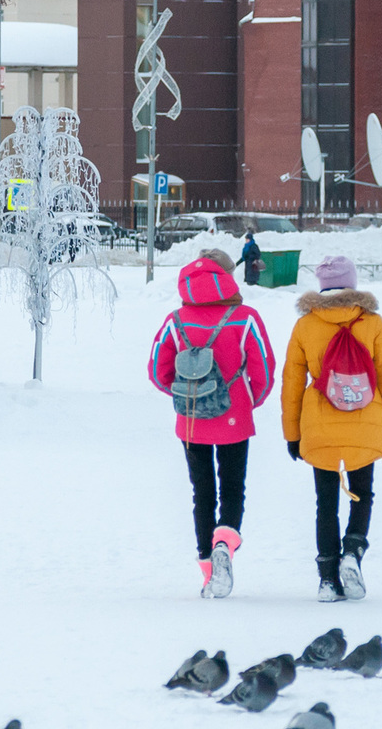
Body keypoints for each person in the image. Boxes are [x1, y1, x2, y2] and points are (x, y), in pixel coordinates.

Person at [147, 249, 276, 598]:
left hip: (191, 422)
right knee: (233, 487)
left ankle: (207, 570)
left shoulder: (176, 320)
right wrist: (251, 399)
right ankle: (225, 543)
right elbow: (263, 367)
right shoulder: (245, 317)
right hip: (235, 414)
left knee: (201, 492)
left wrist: (185, 399)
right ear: (227, 277)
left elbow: (157, 370)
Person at [281, 255, 382, 601]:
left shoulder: (305, 325)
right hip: (366, 423)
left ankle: (327, 581)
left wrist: (293, 435)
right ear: (352, 284)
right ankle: (353, 550)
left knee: (325, 502)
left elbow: (291, 383)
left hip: (319, 427)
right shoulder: (373, 322)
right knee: (363, 493)